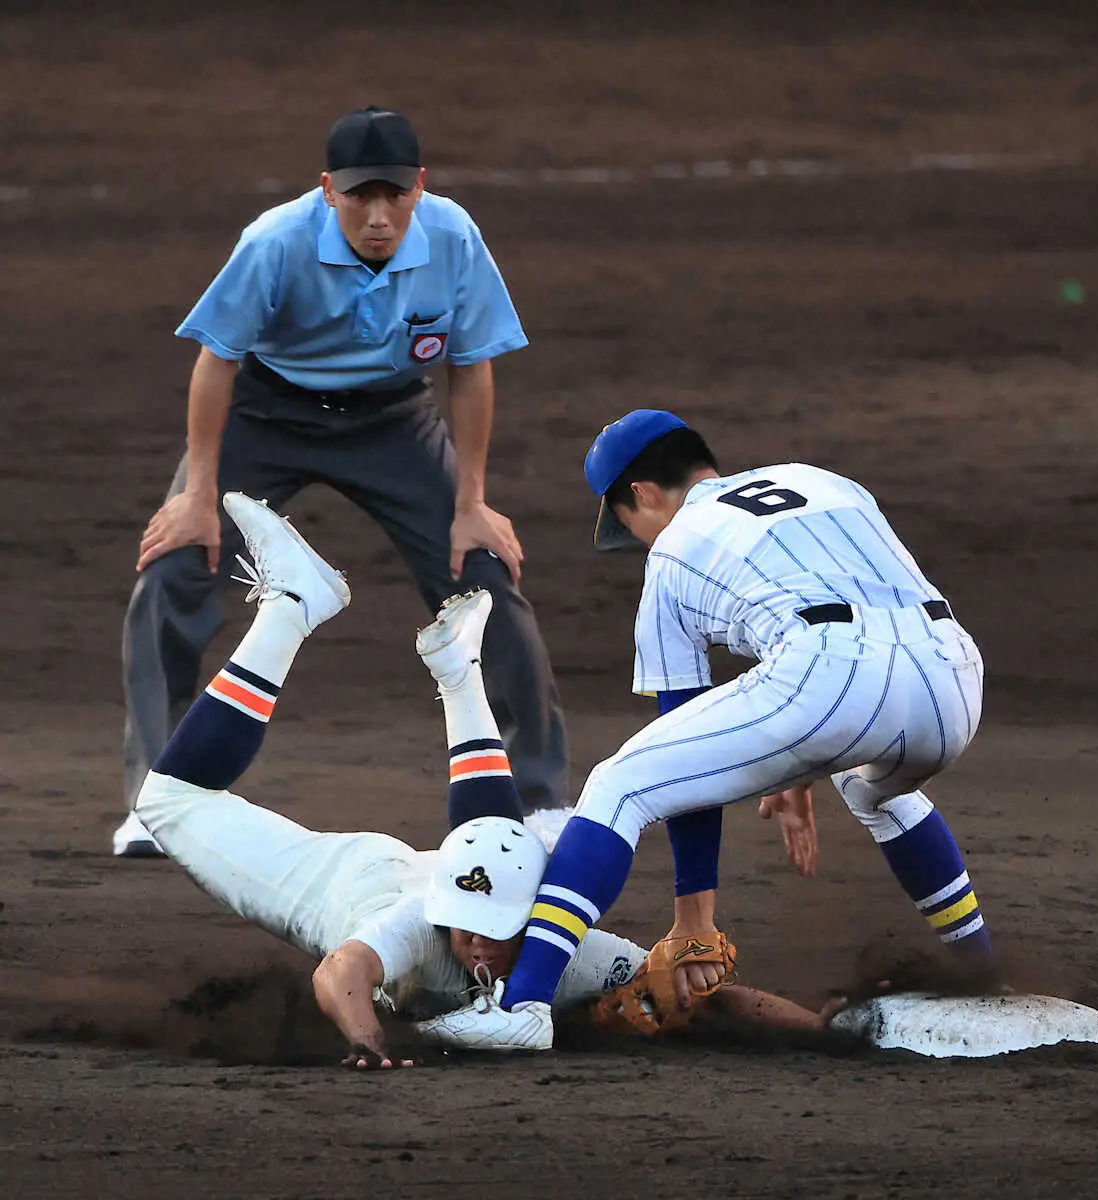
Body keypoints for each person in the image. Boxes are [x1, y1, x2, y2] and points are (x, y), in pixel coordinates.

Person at [135, 492, 840, 1065]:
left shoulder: (563, 950)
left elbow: (707, 997)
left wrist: (820, 1029)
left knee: (510, 844)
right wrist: (365, 1042)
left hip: (463, 861)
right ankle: (294, 609)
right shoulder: (418, 923)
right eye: (468, 929)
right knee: (167, 801)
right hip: (354, 881)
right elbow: (340, 972)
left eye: (492, 930)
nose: (475, 944)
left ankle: (453, 670)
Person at [422, 408, 993, 1052]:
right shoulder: (819, 480)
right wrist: (800, 762)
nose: (637, 538)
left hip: (830, 676)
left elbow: (684, 752)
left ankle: (521, 1007)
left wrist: (695, 921)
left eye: (627, 523)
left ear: (640, 494)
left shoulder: (672, 551)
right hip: (953, 678)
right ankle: (981, 968)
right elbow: (847, 607)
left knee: (620, 785)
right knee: (874, 792)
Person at [115, 105, 568, 858]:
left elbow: (470, 364)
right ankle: (156, 800)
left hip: (393, 419)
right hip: (269, 411)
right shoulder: (275, 243)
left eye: (395, 194)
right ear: (329, 190)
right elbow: (217, 360)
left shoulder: (453, 238)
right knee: (173, 570)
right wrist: (197, 496)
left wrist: (472, 503)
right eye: (361, 196)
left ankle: (541, 800)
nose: (379, 215)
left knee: (484, 577)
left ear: (420, 188)